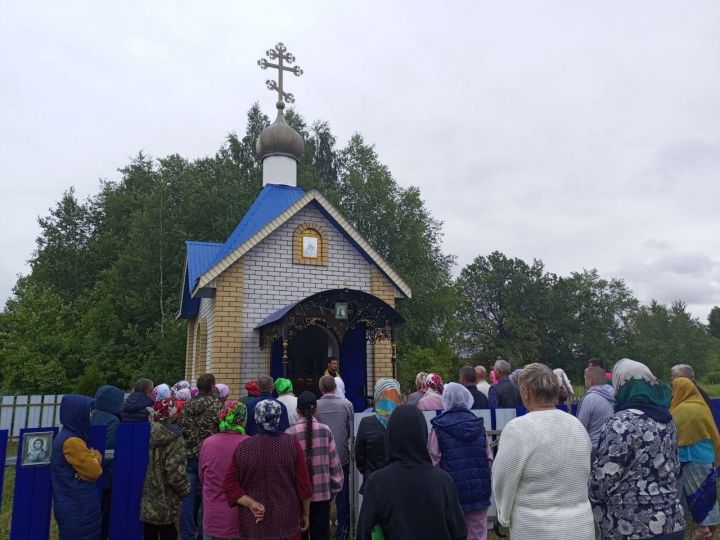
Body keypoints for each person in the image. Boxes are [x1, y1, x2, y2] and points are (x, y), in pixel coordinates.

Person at [492, 363, 595, 540]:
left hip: (536, 528)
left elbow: (503, 480)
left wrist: (503, 518)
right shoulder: (576, 425)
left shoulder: (518, 429)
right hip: (580, 526)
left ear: (525, 392)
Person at [589, 358, 685, 540]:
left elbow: (603, 479)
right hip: (672, 521)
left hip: (632, 526)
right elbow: (675, 467)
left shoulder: (621, 422)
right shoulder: (667, 420)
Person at [357, 405, 467, 540]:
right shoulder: (443, 480)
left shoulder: (377, 483)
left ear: (391, 436)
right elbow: (459, 532)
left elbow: (365, 533)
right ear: (422, 434)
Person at [222, 400, 312, 538]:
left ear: (256, 418)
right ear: (279, 417)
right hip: (286, 520)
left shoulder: (244, 447)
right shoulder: (292, 444)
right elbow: (304, 485)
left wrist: (251, 503)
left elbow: (230, 485)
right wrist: (305, 513)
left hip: (254, 524)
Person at [428, 383, 491, 540]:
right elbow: (489, 459)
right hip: (479, 490)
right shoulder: (478, 425)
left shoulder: (439, 426)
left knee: (450, 532)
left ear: (446, 400)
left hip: (451, 491)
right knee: (478, 534)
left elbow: (433, 461)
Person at [287, 392, 344, 540]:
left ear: (297, 410)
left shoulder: (290, 433)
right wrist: (333, 490)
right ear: (316, 409)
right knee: (321, 535)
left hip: (297, 496)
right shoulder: (325, 431)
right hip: (322, 495)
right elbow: (335, 465)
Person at [671, 377, 720, 539]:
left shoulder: (680, 409)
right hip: (705, 455)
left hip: (687, 457)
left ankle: (684, 525)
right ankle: (705, 527)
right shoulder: (701, 406)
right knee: (705, 492)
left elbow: (672, 432)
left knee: (680, 492)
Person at [51, 394, 103, 540]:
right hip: (78, 506)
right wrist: (97, 455)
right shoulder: (72, 442)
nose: (90, 417)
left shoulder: (69, 436)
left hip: (75, 505)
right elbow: (94, 471)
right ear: (78, 414)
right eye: (88, 413)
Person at [179, 373, 223, 540]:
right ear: (212, 387)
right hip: (209, 457)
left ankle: (187, 535)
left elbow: (182, 427)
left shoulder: (188, 405)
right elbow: (220, 428)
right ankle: (205, 534)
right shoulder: (216, 405)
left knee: (187, 500)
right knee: (208, 498)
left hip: (189, 456)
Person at [140, 398, 191, 540]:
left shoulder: (146, 432)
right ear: (173, 414)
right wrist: (186, 490)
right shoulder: (175, 439)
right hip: (167, 503)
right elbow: (174, 475)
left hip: (147, 502)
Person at [200, 401, 249, 540]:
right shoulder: (249, 444)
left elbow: (202, 477)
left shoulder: (208, 443)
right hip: (239, 518)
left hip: (212, 517)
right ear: (243, 419)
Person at [315, 375, 353, 540]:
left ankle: (322, 529)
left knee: (322, 492)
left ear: (321, 388)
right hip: (342, 455)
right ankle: (343, 531)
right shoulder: (347, 405)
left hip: (321, 456)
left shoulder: (315, 405)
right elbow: (350, 430)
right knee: (343, 492)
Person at [355, 378, 402, 494]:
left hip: (373, 485)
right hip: (399, 486)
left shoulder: (367, 423)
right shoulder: (404, 422)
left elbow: (359, 458)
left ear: (377, 396)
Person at [90, 384, 125, 540]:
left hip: (89, 473)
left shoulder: (92, 414)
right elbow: (110, 449)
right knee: (105, 512)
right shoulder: (112, 420)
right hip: (106, 475)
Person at [576, 366, 614, 457]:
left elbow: (580, 427)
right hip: (610, 447)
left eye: (585, 378)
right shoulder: (614, 396)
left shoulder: (590, 398)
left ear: (590, 380)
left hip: (592, 449)